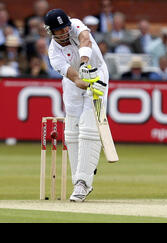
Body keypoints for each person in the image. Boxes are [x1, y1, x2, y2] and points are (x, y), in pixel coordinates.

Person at [45, 8, 109, 202]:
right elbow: (74, 78)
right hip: (74, 82)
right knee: (71, 130)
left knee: (89, 127)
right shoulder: (53, 53)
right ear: (50, 31)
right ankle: (79, 178)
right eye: (59, 30)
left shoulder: (76, 25)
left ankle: (84, 181)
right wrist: (82, 78)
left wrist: (84, 63)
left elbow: (85, 39)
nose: (64, 32)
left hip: (97, 73)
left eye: (65, 28)